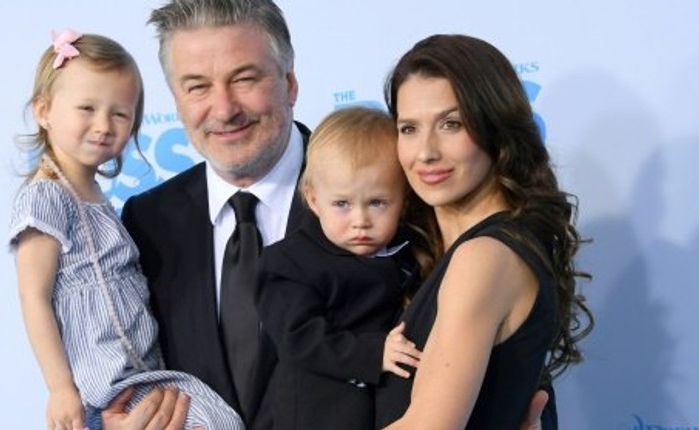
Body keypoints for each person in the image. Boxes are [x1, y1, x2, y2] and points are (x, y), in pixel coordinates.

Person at [111, 1, 553, 429]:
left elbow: (507, 369)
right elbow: (127, 371)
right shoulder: (147, 222)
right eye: (198, 86)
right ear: (175, 98)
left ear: (290, 82)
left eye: (244, 79)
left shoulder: (404, 192)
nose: (224, 109)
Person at [9, 29, 243, 430]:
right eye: (87, 108)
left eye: (120, 113)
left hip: (143, 373)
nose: (104, 125)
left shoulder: (97, 195)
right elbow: (34, 297)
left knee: (223, 421)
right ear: (44, 111)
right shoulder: (45, 196)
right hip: (106, 386)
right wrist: (61, 388)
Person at [373, 34, 594, 429]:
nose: (425, 152)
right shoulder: (473, 250)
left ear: (494, 125)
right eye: (408, 128)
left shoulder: (485, 257)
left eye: (451, 124)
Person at [256, 107, 423, 430]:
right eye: (342, 204)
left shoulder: (411, 252)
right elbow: (299, 337)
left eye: (377, 203)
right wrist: (373, 353)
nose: (360, 220)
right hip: (317, 416)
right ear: (314, 200)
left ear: (403, 200)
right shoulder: (288, 263)